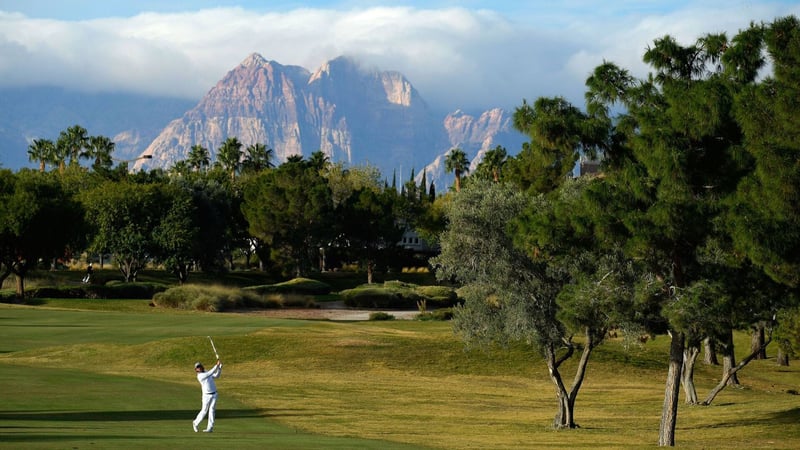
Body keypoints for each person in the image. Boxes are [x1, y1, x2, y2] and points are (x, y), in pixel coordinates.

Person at [192, 360, 222, 433]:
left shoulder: (206, 371)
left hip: (214, 394)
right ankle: (195, 423)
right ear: (196, 370)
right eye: (198, 367)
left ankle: (210, 428)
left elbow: (216, 376)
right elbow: (210, 373)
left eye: (200, 366)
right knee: (204, 411)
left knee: (212, 410)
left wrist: (220, 368)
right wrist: (216, 366)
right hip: (206, 396)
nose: (199, 368)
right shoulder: (200, 376)